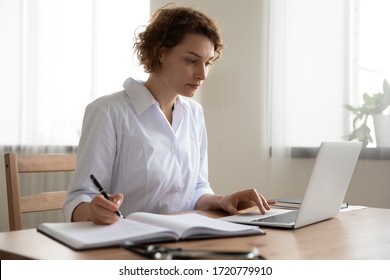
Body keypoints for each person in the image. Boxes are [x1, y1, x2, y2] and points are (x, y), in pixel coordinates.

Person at [64, 5, 274, 225]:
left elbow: (196, 189)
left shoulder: (194, 113)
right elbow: (78, 197)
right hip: (127, 244)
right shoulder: (108, 111)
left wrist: (221, 200)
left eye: (207, 63)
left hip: (182, 240)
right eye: (191, 61)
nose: (202, 74)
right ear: (161, 53)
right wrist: (92, 211)